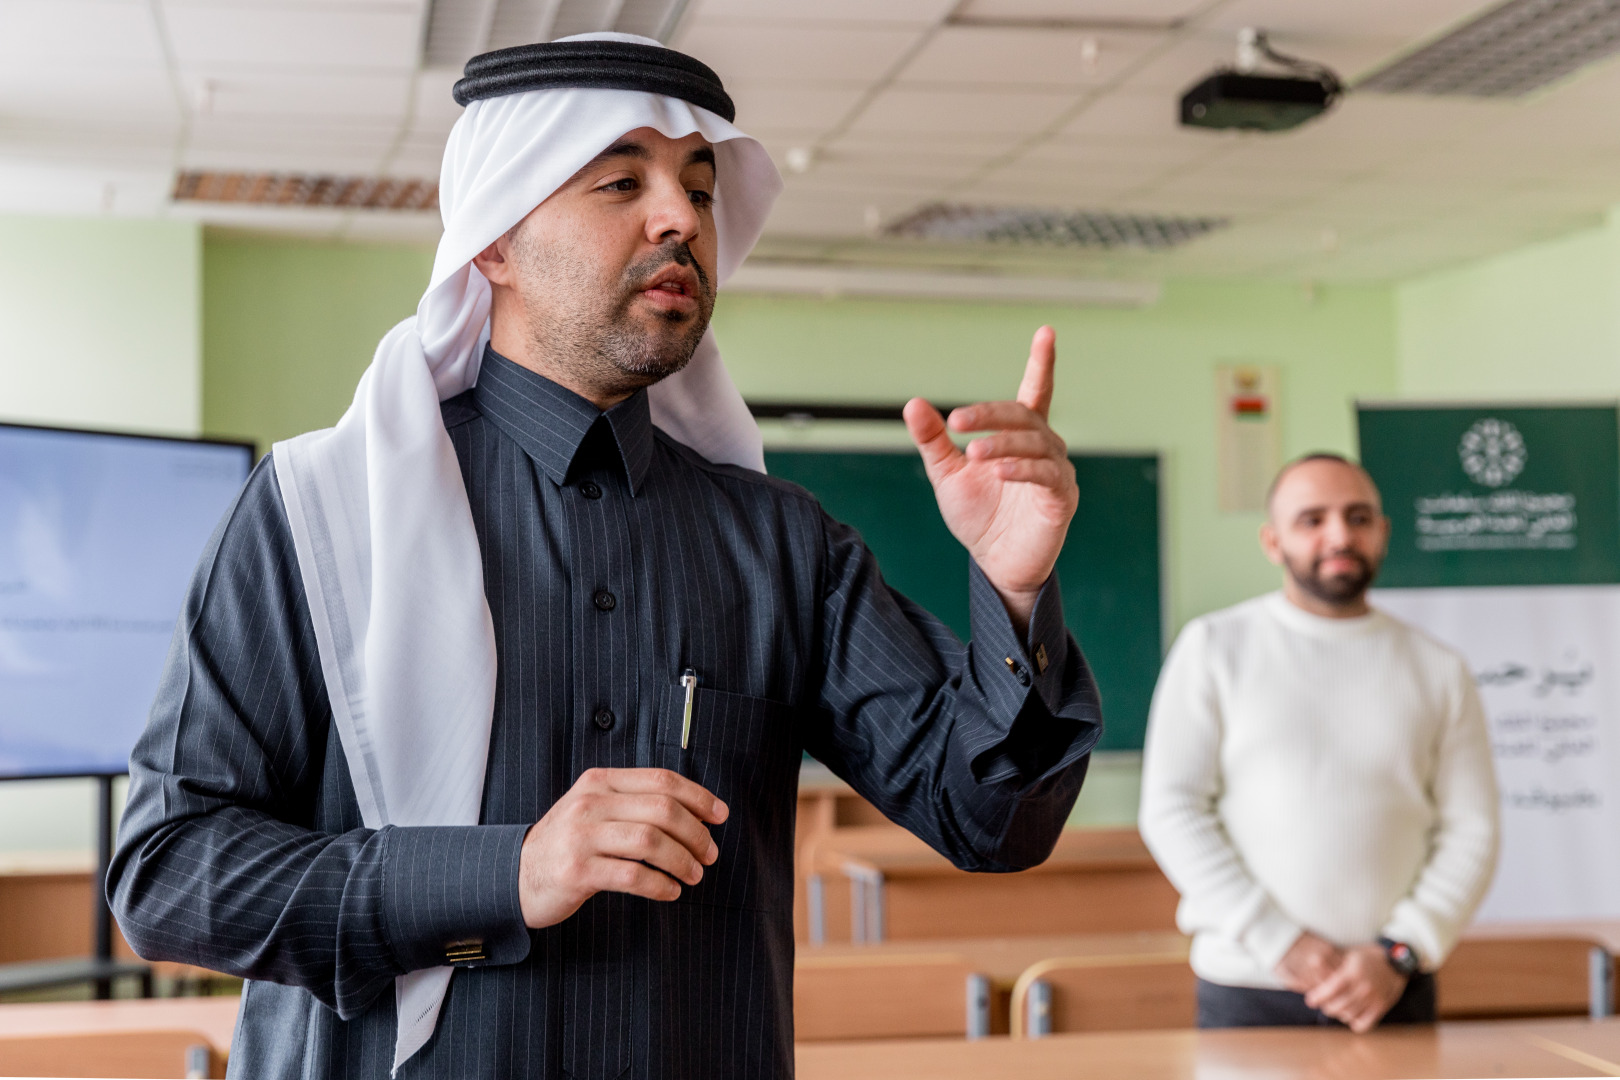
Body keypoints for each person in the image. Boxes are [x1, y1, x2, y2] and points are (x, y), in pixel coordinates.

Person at [107, 32, 1102, 1080]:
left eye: (701, 191)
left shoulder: (781, 544)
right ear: (492, 243)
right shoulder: (315, 513)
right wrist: (506, 872)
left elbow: (993, 820)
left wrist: (1016, 588)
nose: (680, 218)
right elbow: (171, 877)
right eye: (620, 180)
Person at [1139, 452, 1498, 1032]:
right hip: (1249, 985)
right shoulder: (1213, 648)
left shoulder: (1439, 669)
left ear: (1382, 532)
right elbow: (1171, 810)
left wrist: (1399, 951)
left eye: (1358, 518)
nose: (1339, 535)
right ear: (1272, 540)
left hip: (1391, 987)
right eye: (1312, 519)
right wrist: (1281, 943)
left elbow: (1472, 829)